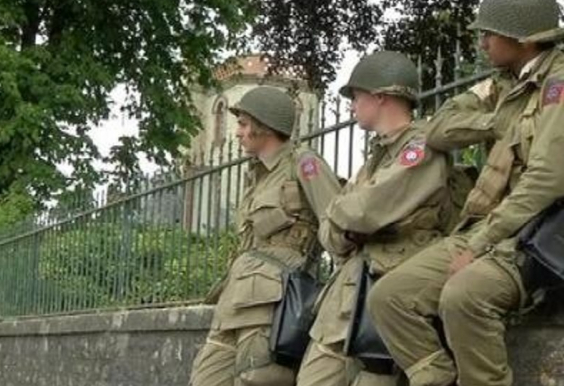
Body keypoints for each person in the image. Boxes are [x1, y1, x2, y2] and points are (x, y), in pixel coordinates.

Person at [367, 0, 564, 385]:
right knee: (390, 298)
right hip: (491, 228)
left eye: (489, 33)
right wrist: (494, 121)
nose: (482, 43)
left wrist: (478, 245)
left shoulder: (556, 87)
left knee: (464, 296)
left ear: (522, 38)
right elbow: (438, 128)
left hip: (537, 233)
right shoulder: (503, 85)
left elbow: (546, 180)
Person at [295, 51, 452, 386]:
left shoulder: (421, 148)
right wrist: (346, 223)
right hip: (347, 295)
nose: (351, 106)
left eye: (356, 96)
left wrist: (348, 218)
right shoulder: (375, 160)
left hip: (389, 284)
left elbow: (363, 210)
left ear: (380, 96)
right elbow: (331, 230)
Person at [189, 86, 343, 386]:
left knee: (259, 379)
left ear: (265, 126)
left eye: (244, 124)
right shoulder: (256, 175)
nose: (238, 133)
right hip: (235, 298)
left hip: (274, 302)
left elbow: (336, 221)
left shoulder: (304, 163)